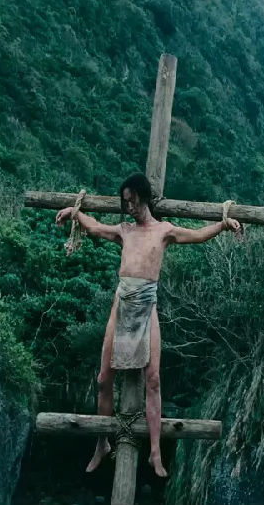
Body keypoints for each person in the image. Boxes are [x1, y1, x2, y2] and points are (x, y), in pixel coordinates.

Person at [55, 173, 241, 477]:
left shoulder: (164, 231)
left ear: (143, 197)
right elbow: (96, 227)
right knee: (103, 379)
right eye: (125, 202)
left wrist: (223, 224)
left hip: (147, 305)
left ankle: (155, 453)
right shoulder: (125, 230)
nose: (129, 207)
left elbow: (196, 235)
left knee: (153, 379)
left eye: (132, 200)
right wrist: (74, 212)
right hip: (121, 304)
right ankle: (102, 443)